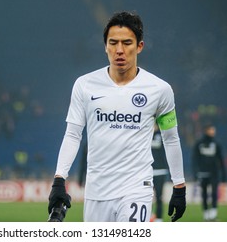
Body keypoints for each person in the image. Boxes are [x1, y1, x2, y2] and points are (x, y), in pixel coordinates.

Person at [48, 11, 186, 222]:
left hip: (136, 188)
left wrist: (179, 186)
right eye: (113, 43)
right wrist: (59, 180)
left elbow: (171, 138)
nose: (119, 50)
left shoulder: (160, 90)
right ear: (105, 46)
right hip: (97, 191)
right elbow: (73, 135)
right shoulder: (84, 85)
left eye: (127, 43)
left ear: (140, 46)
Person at [192, 123, 225, 221]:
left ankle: (213, 214)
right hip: (202, 172)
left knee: (215, 193)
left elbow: (220, 159)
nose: (213, 131)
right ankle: (206, 214)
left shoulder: (216, 143)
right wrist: (195, 172)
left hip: (214, 172)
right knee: (204, 194)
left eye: (213, 129)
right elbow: (195, 159)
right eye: (211, 129)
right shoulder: (199, 143)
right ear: (206, 130)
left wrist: (223, 173)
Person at [150, 124, 169, 222]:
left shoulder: (162, 136)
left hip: (160, 171)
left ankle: (159, 219)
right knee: (146, 197)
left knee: (159, 197)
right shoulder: (144, 135)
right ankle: (147, 217)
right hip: (147, 172)